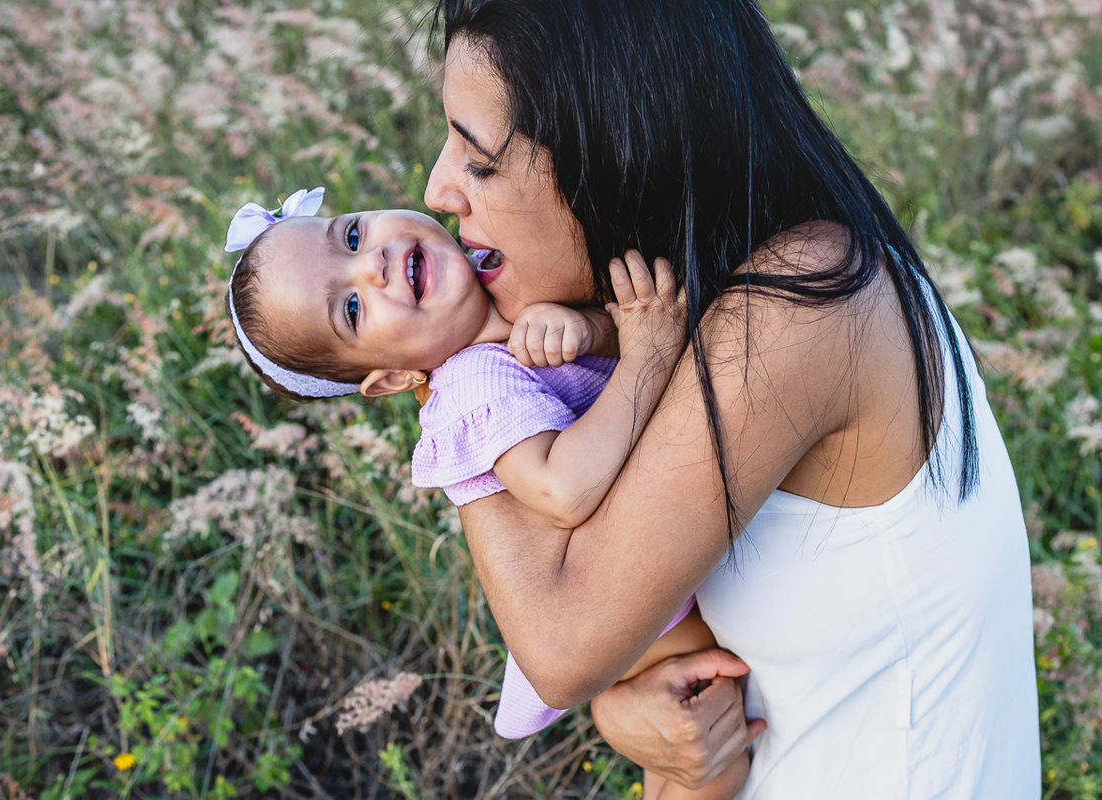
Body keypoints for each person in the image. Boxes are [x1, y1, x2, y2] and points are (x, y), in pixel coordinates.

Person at [419, 0, 1040, 797]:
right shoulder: (706, 304)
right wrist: (627, 705)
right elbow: (637, 640)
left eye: (480, 162)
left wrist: (451, 367)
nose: (439, 188)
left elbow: (561, 643)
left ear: (616, 150)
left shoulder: (806, 304)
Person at [223, 187, 748, 799]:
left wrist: (589, 328)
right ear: (394, 377)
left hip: (649, 558)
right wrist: (645, 358)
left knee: (685, 762)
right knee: (712, 760)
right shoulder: (474, 381)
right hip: (642, 620)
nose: (374, 265)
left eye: (352, 237)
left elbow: (598, 353)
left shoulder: (498, 287)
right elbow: (563, 489)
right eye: (353, 309)